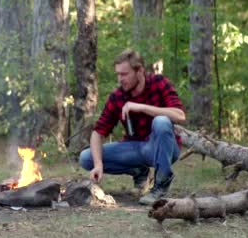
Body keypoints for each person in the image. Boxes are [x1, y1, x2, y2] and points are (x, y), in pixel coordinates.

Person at [79, 49, 186, 205]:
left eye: (124, 74)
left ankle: (160, 186)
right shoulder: (117, 97)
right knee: (86, 157)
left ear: (139, 71)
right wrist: (98, 165)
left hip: (164, 148)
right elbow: (97, 133)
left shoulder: (159, 83)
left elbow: (180, 116)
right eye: (118, 74)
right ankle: (139, 171)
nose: (120, 79)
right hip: (135, 148)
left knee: (161, 122)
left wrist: (141, 107)